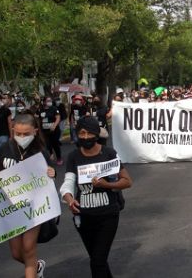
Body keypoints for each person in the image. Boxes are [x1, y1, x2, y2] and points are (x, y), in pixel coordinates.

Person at [0, 113, 56, 278]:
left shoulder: (40, 152)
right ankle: (37, 266)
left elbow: (50, 177)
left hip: (33, 208)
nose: (22, 137)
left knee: (28, 248)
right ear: (13, 130)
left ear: (35, 131)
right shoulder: (6, 148)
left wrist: (52, 172)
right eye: (18, 133)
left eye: (26, 134)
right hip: (10, 207)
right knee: (16, 253)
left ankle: (32, 270)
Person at [60, 117, 132, 278]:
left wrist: (106, 185)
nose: (85, 137)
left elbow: (127, 182)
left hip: (108, 215)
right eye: (82, 133)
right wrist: (69, 198)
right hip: (83, 217)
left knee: (98, 261)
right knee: (97, 259)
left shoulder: (109, 154)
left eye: (90, 133)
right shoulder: (74, 156)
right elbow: (68, 182)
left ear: (97, 134)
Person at [40, 96, 63, 165]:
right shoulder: (41, 110)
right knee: (47, 143)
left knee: (55, 144)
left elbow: (58, 117)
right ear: (44, 102)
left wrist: (54, 125)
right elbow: (38, 119)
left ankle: (59, 158)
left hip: (54, 130)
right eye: (48, 101)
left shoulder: (54, 109)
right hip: (45, 130)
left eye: (50, 100)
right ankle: (50, 154)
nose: (49, 102)